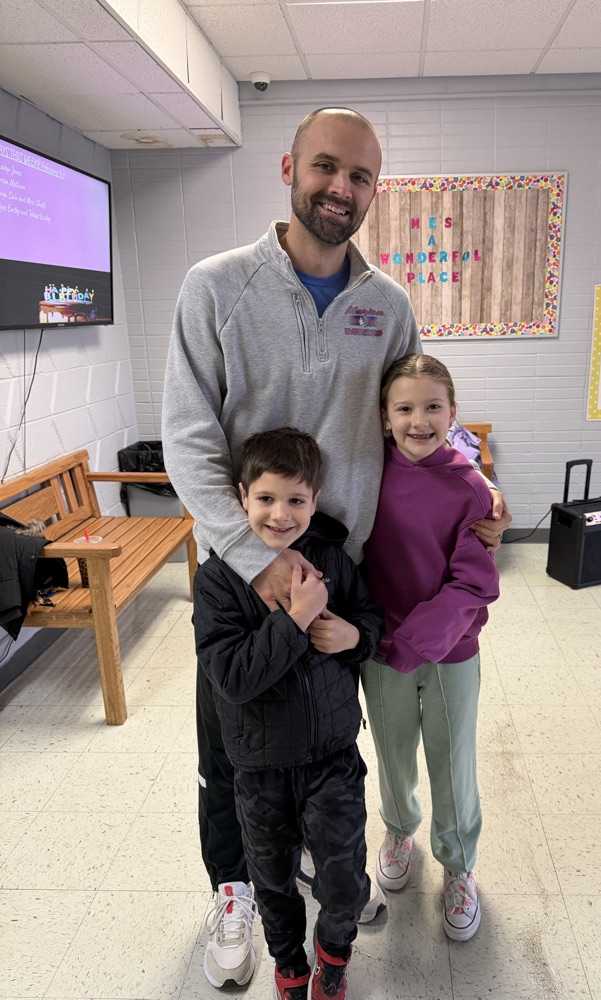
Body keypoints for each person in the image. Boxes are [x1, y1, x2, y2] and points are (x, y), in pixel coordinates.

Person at [162, 106, 512, 988]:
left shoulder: (387, 305)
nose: (340, 188)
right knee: (231, 746)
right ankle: (236, 887)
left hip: (343, 569)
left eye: (359, 177)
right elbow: (188, 437)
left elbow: (418, 411)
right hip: (243, 565)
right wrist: (259, 556)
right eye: (325, 167)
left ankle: (323, 860)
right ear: (288, 167)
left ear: (372, 191)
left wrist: (475, 472)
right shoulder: (216, 286)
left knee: (326, 739)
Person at [193, 427, 382, 1000]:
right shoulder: (218, 579)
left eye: (296, 500)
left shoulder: (330, 557)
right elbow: (231, 677)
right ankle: (290, 967)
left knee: (345, 877)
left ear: (315, 501)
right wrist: (294, 620)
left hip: (333, 757)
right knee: (273, 882)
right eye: (266, 499)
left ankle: (333, 955)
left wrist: (352, 635)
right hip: (260, 766)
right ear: (240, 496)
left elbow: (370, 622)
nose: (281, 514)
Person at [361, 354, 501, 943]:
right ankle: (398, 829)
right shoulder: (366, 475)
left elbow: (474, 580)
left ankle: (458, 864)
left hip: (449, 650)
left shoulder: (471, 487)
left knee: (451, 759)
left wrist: (414, 642)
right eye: (405, 408)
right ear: (385, 416)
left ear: (452, 412)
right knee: (392, 752)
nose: (419, 420)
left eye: (433, 407)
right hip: (380, 647)